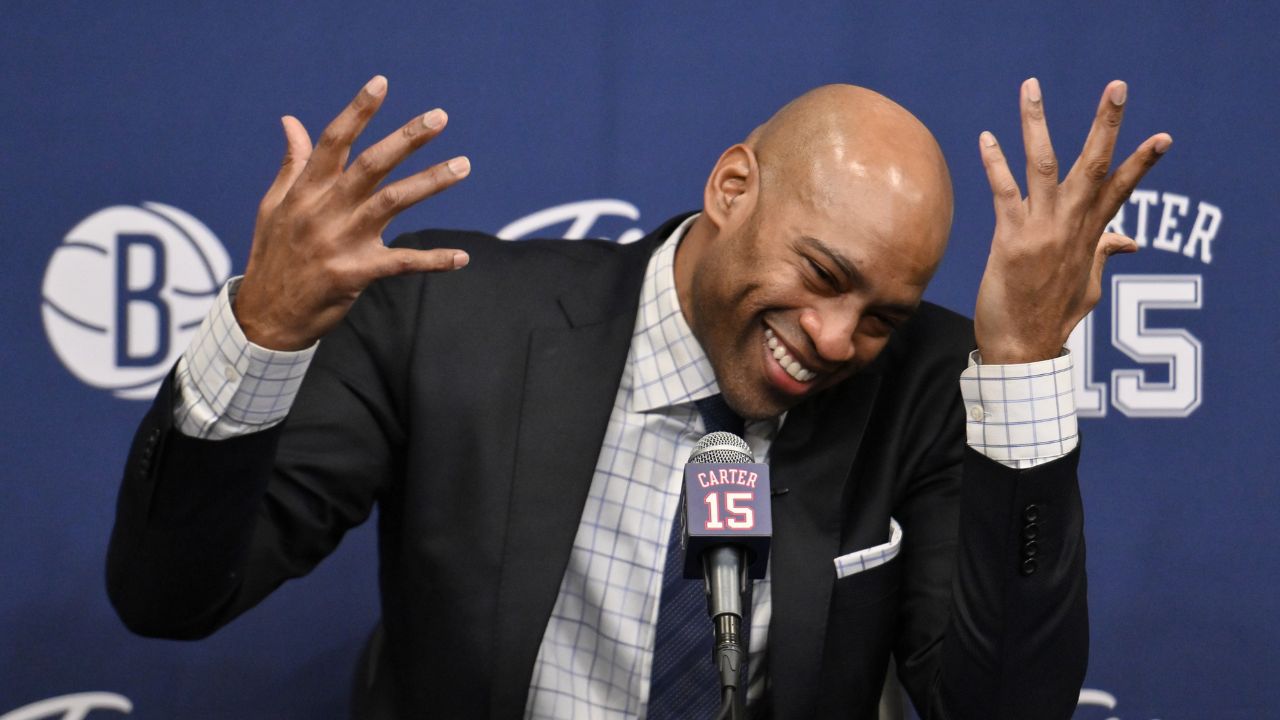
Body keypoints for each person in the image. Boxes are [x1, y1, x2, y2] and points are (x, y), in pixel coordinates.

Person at [107, 76, 1170, 719]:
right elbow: (170, 596)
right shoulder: (448, 320)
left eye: (882, 314)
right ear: (731, 189)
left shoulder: (925, 384)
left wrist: (1024, 364)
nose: (840, 338)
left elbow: (1000, 712)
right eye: (821, 274)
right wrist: (263, 332)